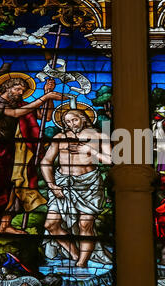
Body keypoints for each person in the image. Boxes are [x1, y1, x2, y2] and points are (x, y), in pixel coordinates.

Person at [0, 74, 65, 235]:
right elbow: (15, 114)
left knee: (12, 188)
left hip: (12, 151)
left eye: (22, 90)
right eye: (17, 89)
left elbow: (45, 116)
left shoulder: (20, 105)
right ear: (6, 87)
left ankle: (4, 225)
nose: (20, 93)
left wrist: (48, 94)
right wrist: (45, 97)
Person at [41, 109, 112, 268]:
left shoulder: (101, 136)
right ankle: (74, 253)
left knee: (85, 225)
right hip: (62, 185)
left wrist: (90, 150)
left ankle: (81, 262)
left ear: (83, 119)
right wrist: (52, 185)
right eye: (67, 122)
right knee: (51, 225)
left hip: (89, 185)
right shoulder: (59, 138)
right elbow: (46, 162)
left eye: (74, 120)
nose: (71, 124)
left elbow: (110, 160)